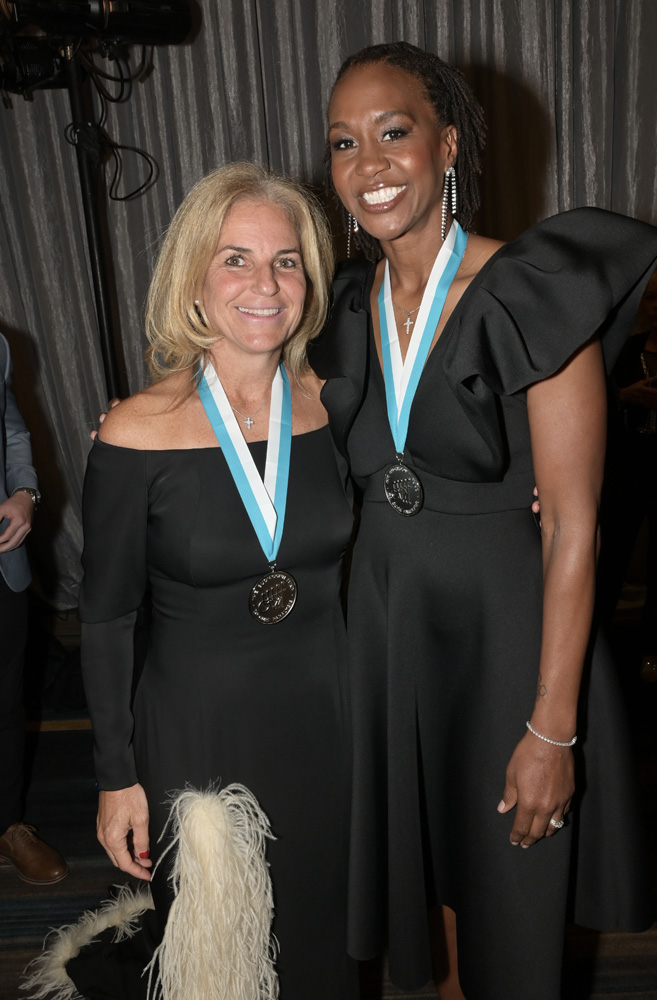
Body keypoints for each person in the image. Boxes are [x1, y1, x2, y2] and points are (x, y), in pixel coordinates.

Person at [310, 41, 657, 1000]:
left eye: (395, 132)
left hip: (508, 638)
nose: (369, 164)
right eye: (344, 143)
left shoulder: (529, 290)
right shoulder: (350, 303)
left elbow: (576, 526)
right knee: (429, 909)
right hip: (388, 634)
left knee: (508, 909)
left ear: (450, 143)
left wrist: (554, 730)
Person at [30, 164, 357, 1000]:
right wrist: (115, 775)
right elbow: (104, 619)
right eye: (235, 259)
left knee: (324, 942)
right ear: (195, 281)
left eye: (286, 260)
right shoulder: (139, 429)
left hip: (331, 727)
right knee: (222, 960)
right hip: (199, 741)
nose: (265, 283)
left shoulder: (336, 407)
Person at [598, 255, 657, 679]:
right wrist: (624, 396)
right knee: (609, 557)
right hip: (625, 470)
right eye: (651, 297)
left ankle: (654, 656)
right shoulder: (626, 349)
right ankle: (594, 651)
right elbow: (593, 406)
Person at [0, 332, 68, 886]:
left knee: (6, 698)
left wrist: (24, 493)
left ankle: (7, 825)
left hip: (2, 559)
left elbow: (13, 432)